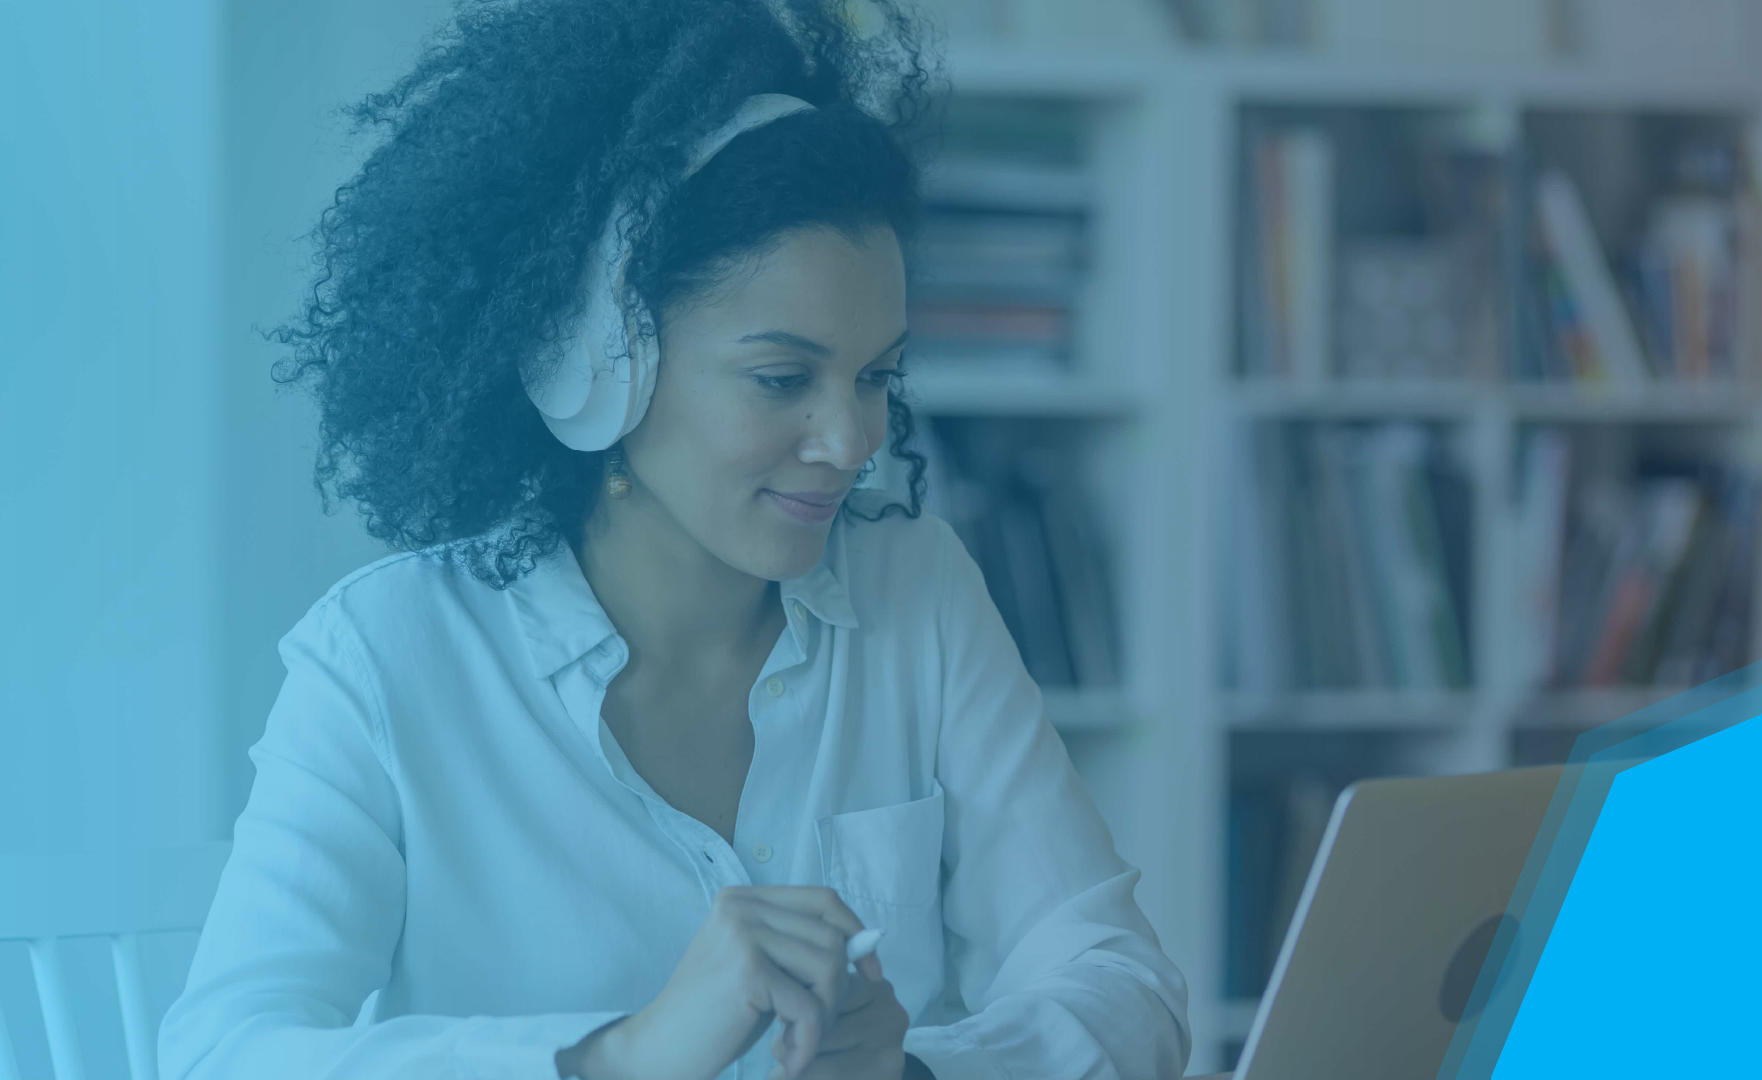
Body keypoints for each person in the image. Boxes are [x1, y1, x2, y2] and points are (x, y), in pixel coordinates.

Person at [155, 2, 1191, 1079]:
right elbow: (224, 1054)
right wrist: (621, 1057)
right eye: (782, 378)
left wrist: (917, 1073)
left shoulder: (914, 591)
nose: (852, 441)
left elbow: (1120, 982)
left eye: (876, 376)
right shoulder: (386, 658)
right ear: (598, 362)